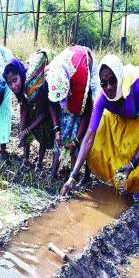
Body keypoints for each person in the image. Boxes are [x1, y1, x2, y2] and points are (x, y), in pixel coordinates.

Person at [61, 54, 139, 241]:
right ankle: (130, 184)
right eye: (103, 83)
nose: (108, 87)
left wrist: (132, 163)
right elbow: (88, 139)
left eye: (112, 81)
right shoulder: (102, 97)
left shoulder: (137, 85)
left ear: (119, 76)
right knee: (100, 137)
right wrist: (72, 177)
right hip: (125, 112)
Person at [45, 45, 99, 178]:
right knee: (65, 122)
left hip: (88, 68)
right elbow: (52, 103)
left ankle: (78, 175)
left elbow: (86, 114)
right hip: (70, 73)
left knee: (82, 129)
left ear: (69, 90)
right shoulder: (51, 76)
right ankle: (53, 172)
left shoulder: (82, 82)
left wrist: (75, 141)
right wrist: (57, 129)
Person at [3, 51, 60, 179]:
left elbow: (44, 113)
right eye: (9, 83)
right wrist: (22, 129)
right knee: (26, 127)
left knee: (43, 129)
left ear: (20, 75)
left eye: (15, 80)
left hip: (47, 104)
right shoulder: (20, 88)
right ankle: (26, 159)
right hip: (34, 102)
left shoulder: (31, 87)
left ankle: (39, 163)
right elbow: (23, 105)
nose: (13, 86)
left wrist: (27, 130)